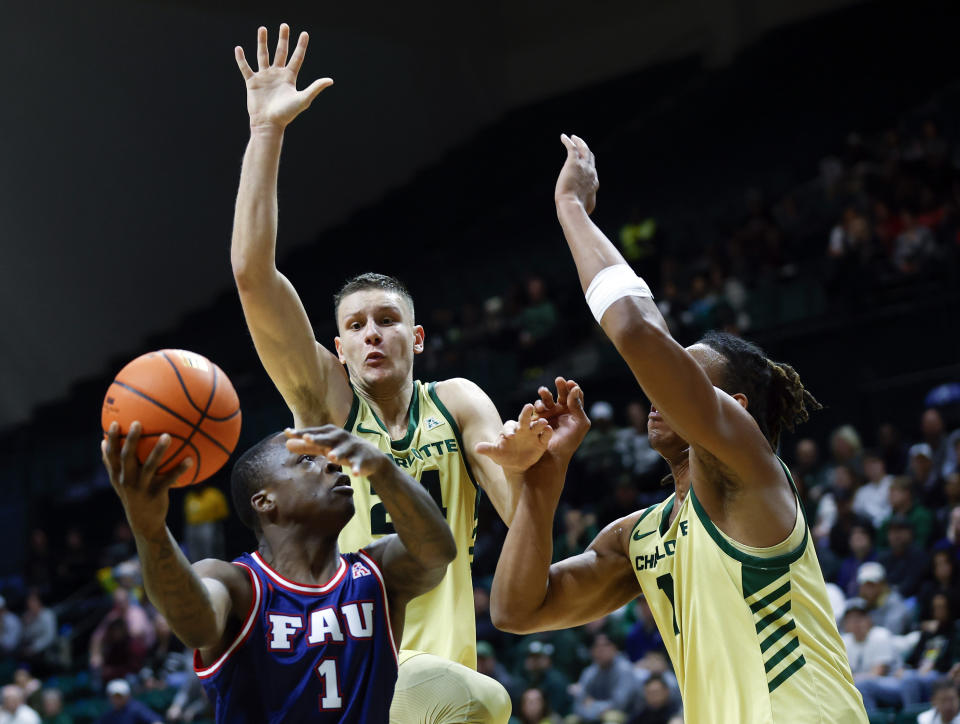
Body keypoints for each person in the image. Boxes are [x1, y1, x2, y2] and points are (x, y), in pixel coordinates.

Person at [485, 135, 868, 722]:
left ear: (735, 407)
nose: (658, 388)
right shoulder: (641, 535)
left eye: (687, 373)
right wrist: (544, 477)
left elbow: (639, 334)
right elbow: (517, 610)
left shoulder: (749, 471)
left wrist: (572, 211)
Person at [230, 23, 540, 723]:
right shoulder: (328, 403)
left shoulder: (458, 403)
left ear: (418, 337)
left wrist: (532, 473)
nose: (373, 332)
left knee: (478, 697)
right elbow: (252, 276)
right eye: (357, 324)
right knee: (489, 701)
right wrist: (265, 134)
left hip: (443, 680)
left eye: (388, 320)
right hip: (360, 673)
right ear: (336, 348)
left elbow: (524, 525)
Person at [100, 418, 455, 723]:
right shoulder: (237, 584)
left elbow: (438, 552)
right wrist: (150, 530)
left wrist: (384, 469)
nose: (333, 465)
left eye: (330, 458)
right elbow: (194, 624)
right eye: (306, 461)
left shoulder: (377, 570)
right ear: (265, 501)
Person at [95, 680, 161, 724]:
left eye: (120, 696)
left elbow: (156, 722)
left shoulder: (136, 708)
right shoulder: (109, 713)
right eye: (114, 696)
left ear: (128, 696)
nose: (117, 699)